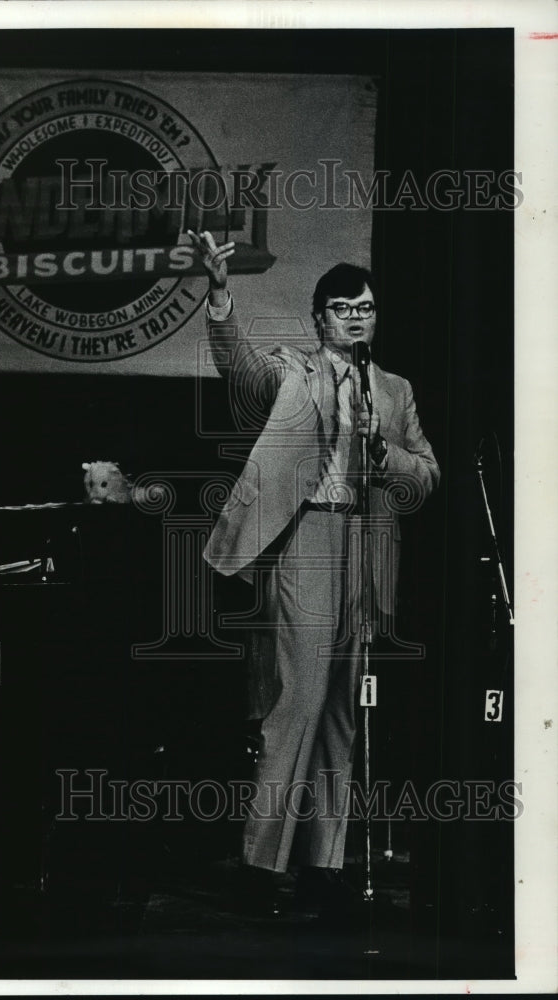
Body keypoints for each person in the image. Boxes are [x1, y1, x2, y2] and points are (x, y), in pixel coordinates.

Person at [188, 229, 440, 916]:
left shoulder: (393, 389)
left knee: (341, 712)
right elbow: (236, 367)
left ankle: (325, 864)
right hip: (307, 537)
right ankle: (259, 862)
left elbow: (429, 473)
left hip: (367, 540)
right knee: (296, 701)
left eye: (366, 307)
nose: (357, 316)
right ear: (318, 317)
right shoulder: (292, 371)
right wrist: (218, 293)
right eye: (342, 307)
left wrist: (388, 459)